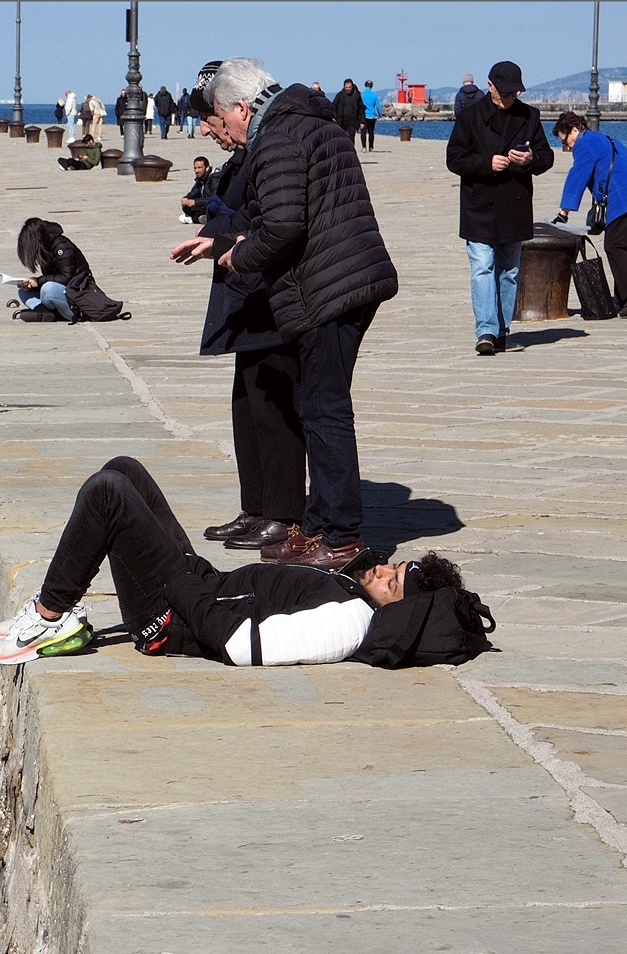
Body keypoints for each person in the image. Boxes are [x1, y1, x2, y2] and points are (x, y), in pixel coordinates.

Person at [0, 456, 471, 667]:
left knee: (106, 492)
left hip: (169, 618)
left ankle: (48, 618)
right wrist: (193, 575)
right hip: (198, 587)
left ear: (398, 612)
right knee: (124, 470)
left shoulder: (348, 623)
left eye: (393, 583)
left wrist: (179, 583)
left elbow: (243, 646)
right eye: (394, 567)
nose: (382, 571)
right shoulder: (353, 594)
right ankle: (54, 611)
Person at [201, 57, 399, 571]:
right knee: (317, 404)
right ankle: (317, 524)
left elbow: (284, 225)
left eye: (225, 117)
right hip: (347, 278)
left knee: (324, 408)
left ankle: (340, 535)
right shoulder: (311, 122)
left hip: (330, 287)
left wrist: (234, 255)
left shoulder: (278, 137)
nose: (229, 131)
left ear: (242, 108)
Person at [170, 60, 306, 556]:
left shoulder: (266, 150)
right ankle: (257, 506)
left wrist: (221, 228)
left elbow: (268, 219)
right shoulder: (243, 155)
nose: (210, 133)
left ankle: (285, 512)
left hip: (270, 295)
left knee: (275, 405)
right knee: (246, 406)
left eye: (211, 122)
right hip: (245, 293)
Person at [445, 60, 554, 356]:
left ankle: (502, 332)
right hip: (479, 204)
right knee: (482, 267)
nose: (507, 99)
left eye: (513, 94)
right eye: (503, 93)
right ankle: (486, 331)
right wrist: (486, 163)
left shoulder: (530, 116)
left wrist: (529, 159)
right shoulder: (469, 117)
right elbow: (454, 158)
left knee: (509, 272)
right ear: (489, 85)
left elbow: (547, 157)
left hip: (514, 204)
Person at [550, 111, 627, 317]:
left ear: (574, 130)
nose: (567, 147)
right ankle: (623, 298)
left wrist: (563, 212)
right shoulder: (603, 138)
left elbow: (577, 176)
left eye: (565, 141)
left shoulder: (585, 143)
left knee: (613, 245)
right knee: (624, 247)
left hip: (624, 198)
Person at [10, 217, 125, 323]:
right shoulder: (46, 249)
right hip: (61, 290)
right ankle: (45, 312)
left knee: (48, 288)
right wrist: (32, 285)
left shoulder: (62, 246)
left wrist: (39, 281)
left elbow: (67, 278)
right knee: (23, 291)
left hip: (76, 291)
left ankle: (64, 314)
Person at [179, 155, 213, 223]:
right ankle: (199, 218)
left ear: (207, 168)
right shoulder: (200, 180)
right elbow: (193, 193)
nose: (197, 171)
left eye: (199, 168)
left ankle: (195, 219)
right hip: (204, 206)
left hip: (214, 206)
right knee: (186, 207)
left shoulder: (213, 180)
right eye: (195, 168)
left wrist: (195, 202)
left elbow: (213, 199)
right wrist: (186, 198)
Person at [331, 78, 363, 144]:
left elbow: (361, 109)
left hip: (352, 120)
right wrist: (333, 117)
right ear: (344, 87)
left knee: (351, 138)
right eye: (347, 87)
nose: (348, 89)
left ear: (352, 86)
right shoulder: (340, 95)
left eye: (349, 87)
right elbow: (334, 106)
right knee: (340, 137)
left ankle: (350, 151)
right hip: (341, 120)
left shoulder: (357, 95)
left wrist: (362, 122)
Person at [359, 80, 382, 151]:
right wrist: (380, 115)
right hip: (372, 116)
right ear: (371, 86)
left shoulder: (362, 95)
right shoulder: (374, 95)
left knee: (363, 132)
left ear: (365, 85)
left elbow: (358, 105)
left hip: (363, 116)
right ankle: (371, 147)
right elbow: (378, 106)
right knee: (371, 132)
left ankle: (363, 147)